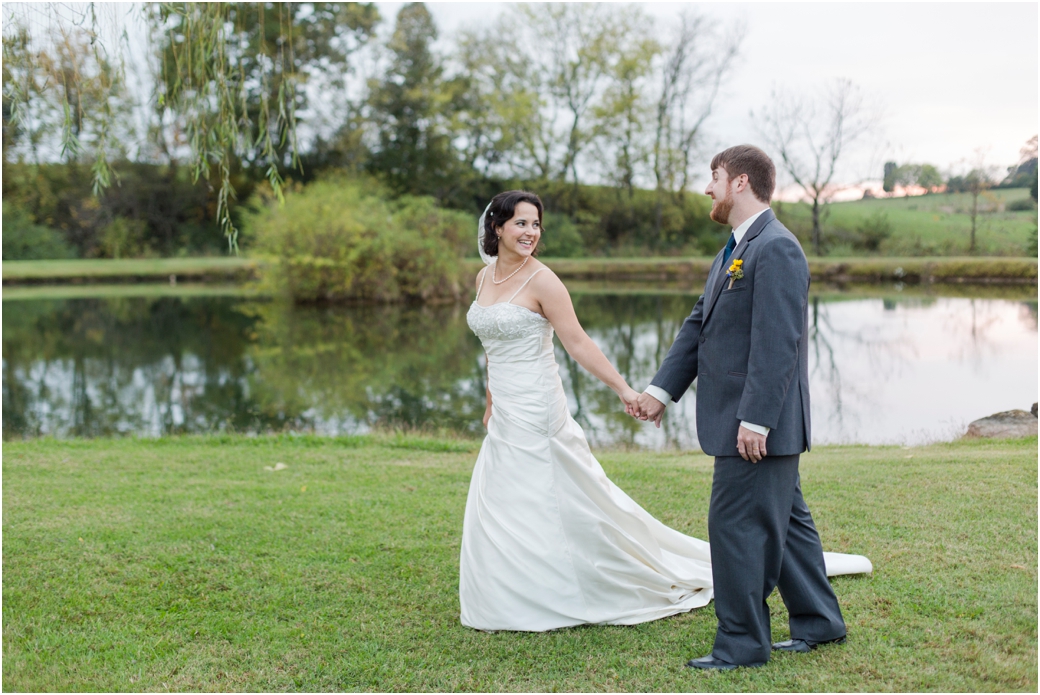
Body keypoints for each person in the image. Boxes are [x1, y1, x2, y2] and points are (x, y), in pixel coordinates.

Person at [459, 188, 870, 635]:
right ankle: (512, 583)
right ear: (496, 226)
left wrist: (624, 389)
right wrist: (490, 403)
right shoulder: (484, 281)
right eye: (521, 223)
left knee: (545, 489)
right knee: (504, 494)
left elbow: (577, 342)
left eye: (536, 224)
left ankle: (561, 586)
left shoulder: (543, 281)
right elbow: (492, 350)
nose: (531, 232)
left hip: (538, 406)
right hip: (505, 407)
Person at [634, 144, 853, 670]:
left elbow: (778, 342)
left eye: (713, 177)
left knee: (734, 527)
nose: (707, 188)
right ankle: (820, 622)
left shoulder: (775, 247)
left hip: (754, 425)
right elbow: (699, 324)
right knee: (789, 527)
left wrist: (755, 419)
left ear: (738, 182)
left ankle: (741, 645)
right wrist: (660, 391)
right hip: (753, 421)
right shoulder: (738, 246)